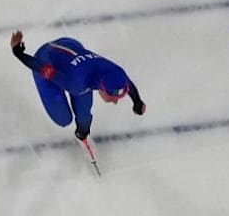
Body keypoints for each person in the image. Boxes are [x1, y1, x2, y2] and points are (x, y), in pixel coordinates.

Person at [9, 30, 146, 141]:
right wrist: (18, 52)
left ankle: (82, 131)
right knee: (63, 119)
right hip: (45, 57)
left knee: (84, 116)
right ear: (103, 90)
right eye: (113, 97)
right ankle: (59, 87)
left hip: (70, 45)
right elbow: (39, 67)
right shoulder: (76, 83)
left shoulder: (114, 71)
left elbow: (127, 83)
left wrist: (137, 101)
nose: (115, 101)